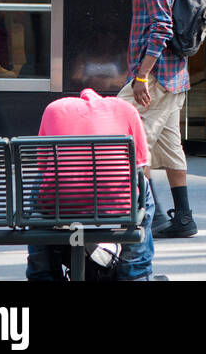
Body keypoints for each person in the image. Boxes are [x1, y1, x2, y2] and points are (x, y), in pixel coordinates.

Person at [118, 0, 197, 239]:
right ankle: (184, 218)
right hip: (171, 78)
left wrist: (141, 76)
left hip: (156, 79)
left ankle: (150, 216)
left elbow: (162, 29)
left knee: (133, 143)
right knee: (169, 144)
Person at [25, 88, 156, 281]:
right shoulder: (126, 109)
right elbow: (141, 165)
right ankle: (135, 271)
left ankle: (42, 273)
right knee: (143, 186)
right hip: (117, 203)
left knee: (39, 185)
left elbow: (42, 164)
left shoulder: (53, 109)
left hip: (60, 203)